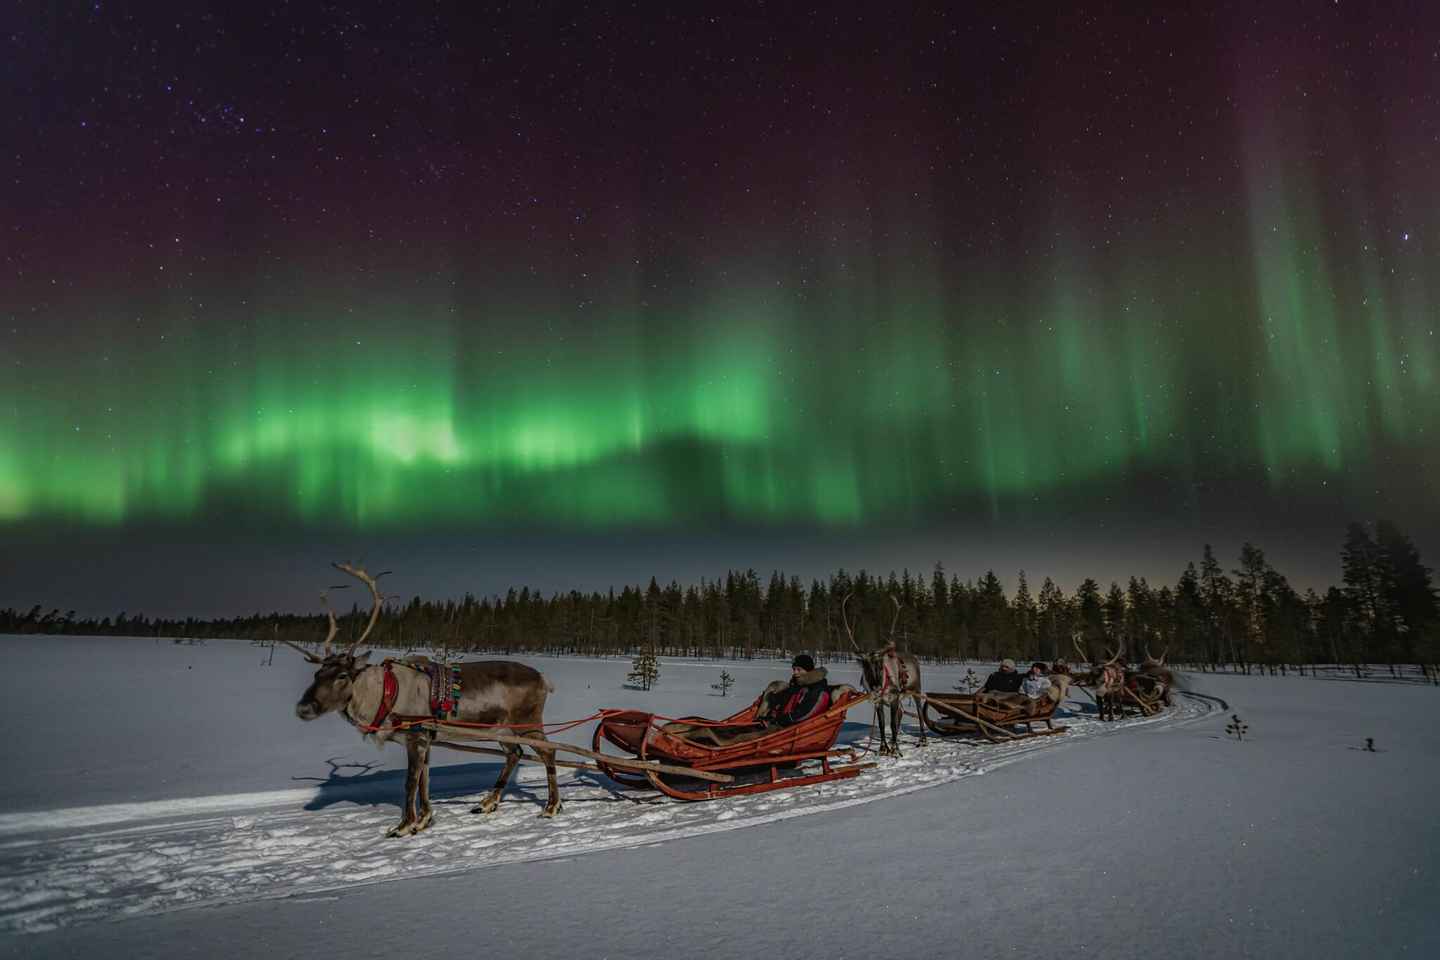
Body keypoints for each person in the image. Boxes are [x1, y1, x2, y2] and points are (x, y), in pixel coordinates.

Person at [766, 654, 831, 727]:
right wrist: (772, 715)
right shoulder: (796, 685)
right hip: (782, 724)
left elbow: (806, 713)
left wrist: (781, 720)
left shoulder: (817, 689)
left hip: (797, 728)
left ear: (808, 670)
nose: (795, 672)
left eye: (799, 669)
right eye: (794, 669)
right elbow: (782, 703)